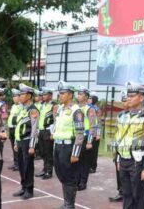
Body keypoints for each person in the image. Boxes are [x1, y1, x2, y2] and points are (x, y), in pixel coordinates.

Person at [116, 81, 144, 209]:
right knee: (126, 194)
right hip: (123, 160)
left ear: (141, 97)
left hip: (137, 163)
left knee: (137, 195)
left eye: (133, 96)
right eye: (128, 95)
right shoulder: (122, 117)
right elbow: (118, 139)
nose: (129, 98)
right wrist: (118, 159)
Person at [53, 81, 85, 209]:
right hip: (58, 145)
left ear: (70, 95)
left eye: (63, 93)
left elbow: (80, 133)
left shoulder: (76, 111)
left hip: (68, 147)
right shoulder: (60, 109)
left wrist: (75, 153)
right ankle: (66, 201)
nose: (60, 95)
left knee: (69, 175)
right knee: (61, 174)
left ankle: (70, 204)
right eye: (59, 93)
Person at [13, 83, 39, 200]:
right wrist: (15, 142)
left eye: (22, 94)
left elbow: (34, 129)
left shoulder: (33, 110)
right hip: (20, 141)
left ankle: (29, 189)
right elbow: (18, 126)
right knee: (22, 165)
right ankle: (23, 187)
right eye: (20, 94)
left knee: (28, 166)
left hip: (28, 141)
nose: (20, 96)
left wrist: (32, 146)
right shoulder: (22, 109)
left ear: (29, 96)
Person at [77, 85, 98, 191]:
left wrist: (90, 141)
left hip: (85, 137)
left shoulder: (90, 109)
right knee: (76, 160)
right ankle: (77, 180)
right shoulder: (76, 108)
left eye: (81, 94)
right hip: (76, 137)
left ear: (86, 97)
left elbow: (92, 126)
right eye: (78, 94)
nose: (78, 96)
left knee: (84, 162)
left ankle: (83, 182)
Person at [109, 90, 128, 202]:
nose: (124, 103)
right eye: (123, 101)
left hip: (130, 149)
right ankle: (121, 192)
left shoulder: (138, 115)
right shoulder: (120, 115)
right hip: (119, 148)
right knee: (118, 171)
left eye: (126, 100)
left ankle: (128, 194)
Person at [35, 87, 57, 180]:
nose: (43, 96)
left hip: (48, 131)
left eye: (45, 94)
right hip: (41, 130)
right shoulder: (42, 105)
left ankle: (49, 171)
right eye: (42, 95)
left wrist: (53, 133)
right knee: (43, 152)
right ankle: (44, 169)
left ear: (50, 95)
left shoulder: (54, 105)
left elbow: (56, 120)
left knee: (48, 152)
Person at [7, 88, 22, 171]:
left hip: (17, 129)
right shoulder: (13, 106)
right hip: (11, 128)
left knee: (17, 147)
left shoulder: (21, 107)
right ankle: (15, 162)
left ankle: (19, 164)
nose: (13, 98)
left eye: (15, 96)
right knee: (13, 146)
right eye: (13, 96)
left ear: (19, 97)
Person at [88, 91, 101, 174]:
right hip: (88, 132)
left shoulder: (96, 109)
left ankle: (93, 167)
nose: (88, 99)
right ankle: (88, 166)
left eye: (90, 98)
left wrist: (98, 134)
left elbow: (98, 122)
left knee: (94, 151)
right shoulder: (86, 108)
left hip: (95, 133)